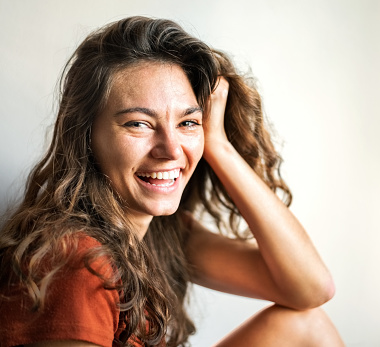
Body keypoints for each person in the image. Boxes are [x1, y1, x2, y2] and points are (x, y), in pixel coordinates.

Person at [0, 16, 344, 347]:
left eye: (188, 123)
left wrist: (219, 147)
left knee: (304, 324)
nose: (170, 150)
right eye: (138, 123)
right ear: (86, 136)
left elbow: (311, 289)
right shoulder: (77, 259)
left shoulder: (162, 236)